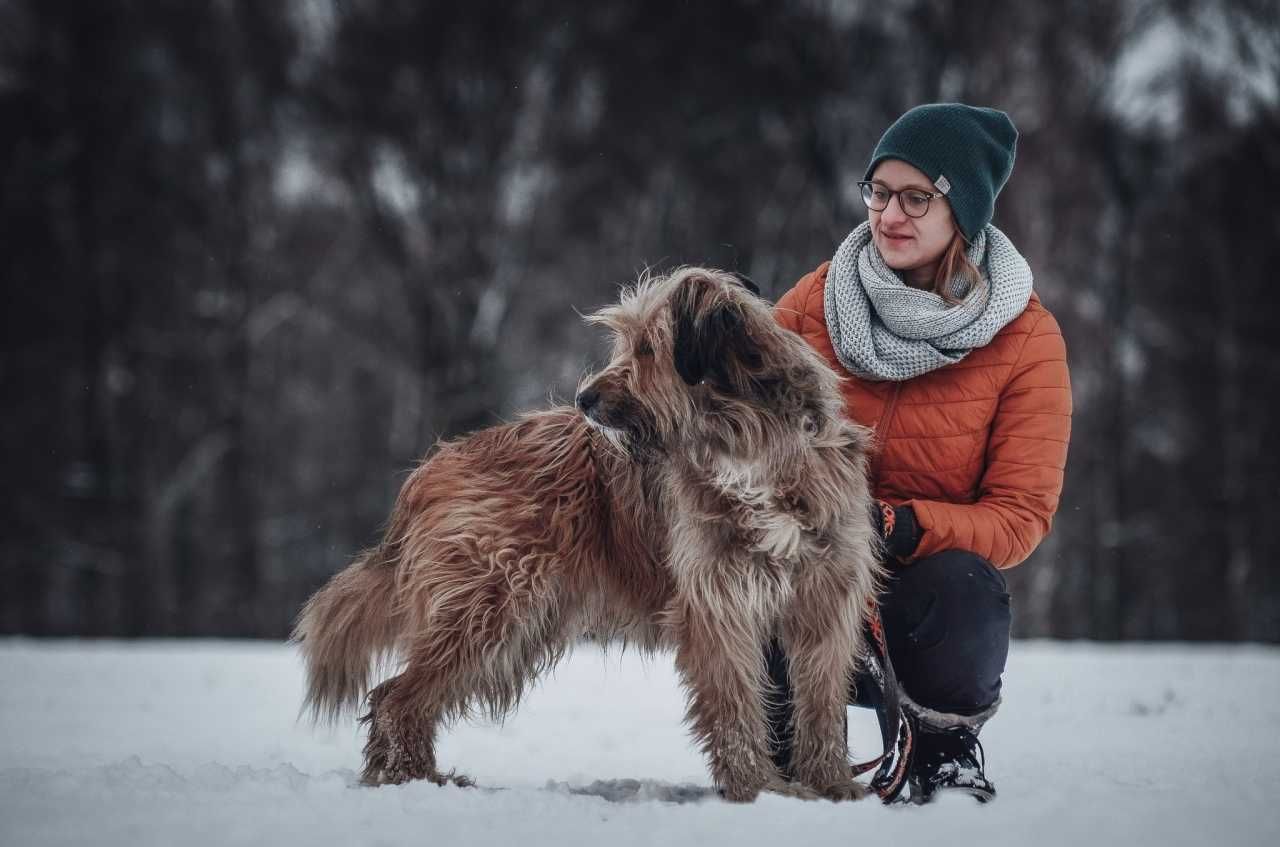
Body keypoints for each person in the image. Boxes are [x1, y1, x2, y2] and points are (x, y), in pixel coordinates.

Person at [768, 103, 1072, 804]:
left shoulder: (1027, 341)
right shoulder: (815, 303)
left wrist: (904, 526)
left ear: (960, 208)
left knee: (966, 586)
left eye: (915, 197)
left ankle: (943, 746)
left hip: (916, 598)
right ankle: (783, 741)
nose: (888, 215)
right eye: (877, 192)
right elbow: (743, 428)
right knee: (754, 563)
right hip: (808, 580)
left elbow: (1020, 515)